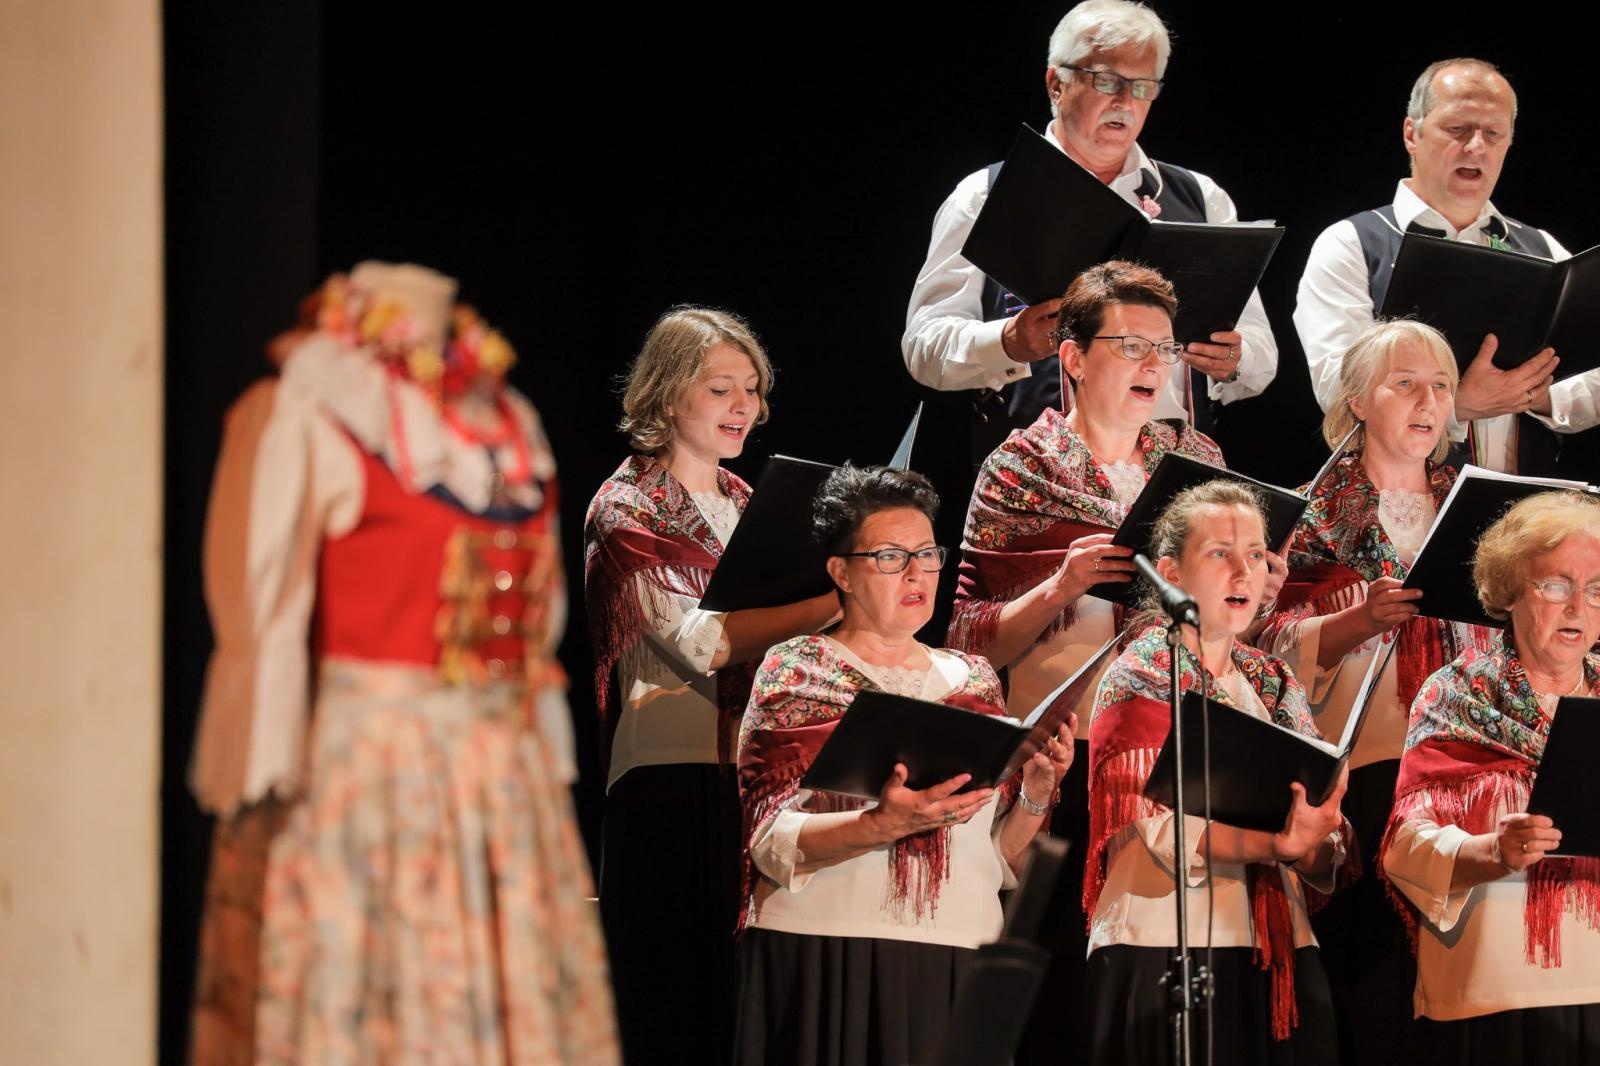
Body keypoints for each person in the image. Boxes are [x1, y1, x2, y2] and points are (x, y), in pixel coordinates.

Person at [188, 263, 617, 1064]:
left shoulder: (506, 419)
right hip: (371, 775)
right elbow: (264, 610)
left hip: (503, 782)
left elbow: (538, 627)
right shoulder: (317, 403)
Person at [948, 260, 1259, 1058]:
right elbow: (970, 640)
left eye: (1166, 348)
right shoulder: (1020, 468)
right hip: (1063, 758)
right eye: (1131, 345)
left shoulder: (1200, 462)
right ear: (1074, 358)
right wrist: (1062, 585)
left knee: (1157, 1003)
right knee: (1056, 1002)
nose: (1156, 365)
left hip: (1174, 764)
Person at [735, 464, 1074, 1066]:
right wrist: (879, 825)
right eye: (891, 556)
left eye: (927, 554)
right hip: (828, 941)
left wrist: (1037, 793)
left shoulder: (973, 679)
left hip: (960, 947)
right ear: (840, 570)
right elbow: (769, 840)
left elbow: (999, 855)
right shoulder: (797, 669)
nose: (917, 573)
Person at [582, 307, 840, 1065]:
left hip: (755, 769)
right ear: (666, 396)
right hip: (670, 775)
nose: (743, 407)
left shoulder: (750, 504)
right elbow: (698, 645)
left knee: (747, 1000)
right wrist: (828, 604)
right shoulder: (626, 507)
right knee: (676, 999)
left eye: (753, 390)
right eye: (720, 388)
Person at [1258, 319, 1500, 1064]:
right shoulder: (1300, 515)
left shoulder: (1484, 511)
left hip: (1471, 768)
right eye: (1406, 384)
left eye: (1441, 386)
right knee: (1377, 990)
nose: (1429, 401)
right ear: (1358, 401)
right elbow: (1258, 650)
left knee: (1463, 991)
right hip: (1365, 769)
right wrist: (1358, 618)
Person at [902, 0, 1276, 441]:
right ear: (1056, 84)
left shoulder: (1201, 196)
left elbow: (1261, 354)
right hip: (1037, 478)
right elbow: (923, 347)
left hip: (1176, 477)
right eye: (1107, 80)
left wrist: (1235, 359)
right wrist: (1007, 341)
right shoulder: (985, 194)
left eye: (1142, 87)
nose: (1125, 101)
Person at [1086, 479, 1351, 1065]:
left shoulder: (1274, 682)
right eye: (1219, 553)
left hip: (1276, 948)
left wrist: (1313, 840)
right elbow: (1158, 826)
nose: (1244, 572)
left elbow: (1323, 842)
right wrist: (1277, 841)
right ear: (1170, 572)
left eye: (1256, 554)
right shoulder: (1141, 673)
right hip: (1164, 944)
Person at [1295, 57, 1600, 477]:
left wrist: (1534, 395)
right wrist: (1456, 404)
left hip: (1526, 511)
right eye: (1458, 129)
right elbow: (1338, 391)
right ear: (1411, 134)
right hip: (1399, 507)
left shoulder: (1542, 247)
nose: (1476, 146)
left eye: (1493, 133)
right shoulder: (1352, 244)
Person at [1380, 491, 1600, 1064]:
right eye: (1556, 584)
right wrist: (1491, 851)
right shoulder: (1455, 694)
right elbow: (1406, 847)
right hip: (1495, 989)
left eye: (1597, 589)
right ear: (1509, 592)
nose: (1578, 605)